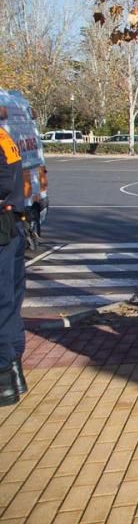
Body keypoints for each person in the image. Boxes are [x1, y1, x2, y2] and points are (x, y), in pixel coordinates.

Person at [0, 125, 27, 406]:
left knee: (3, 304)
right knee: (9, 303)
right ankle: (13, 374)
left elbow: (4, 184)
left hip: (4, 229)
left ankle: (5, 378)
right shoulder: (4, 136)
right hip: (12, 225)